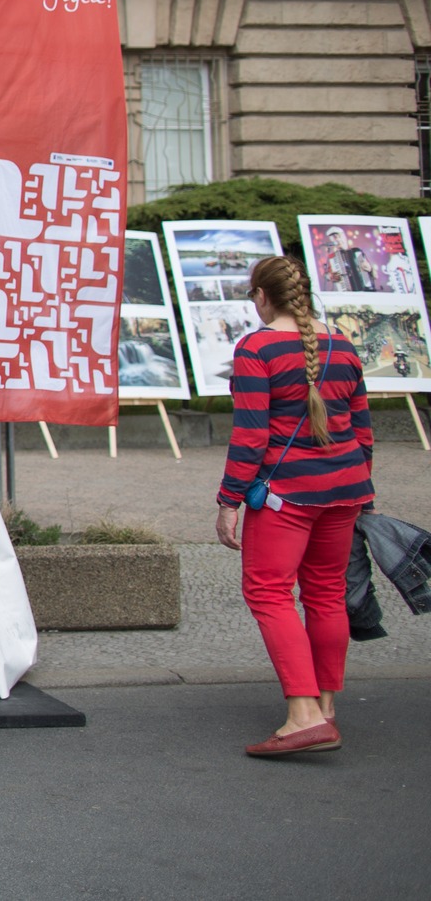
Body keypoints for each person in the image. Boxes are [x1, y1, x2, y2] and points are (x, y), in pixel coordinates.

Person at [217, 255, 373, 758]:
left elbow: (251, 436)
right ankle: (326, 708)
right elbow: (363, 427)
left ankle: (302, 716)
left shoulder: (257, 348)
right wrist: (361, 488)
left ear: (261, 296)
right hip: (346, 487)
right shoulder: (343, 346)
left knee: (269, 592)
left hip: (288, 493)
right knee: (327, 592)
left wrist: (229, 501)